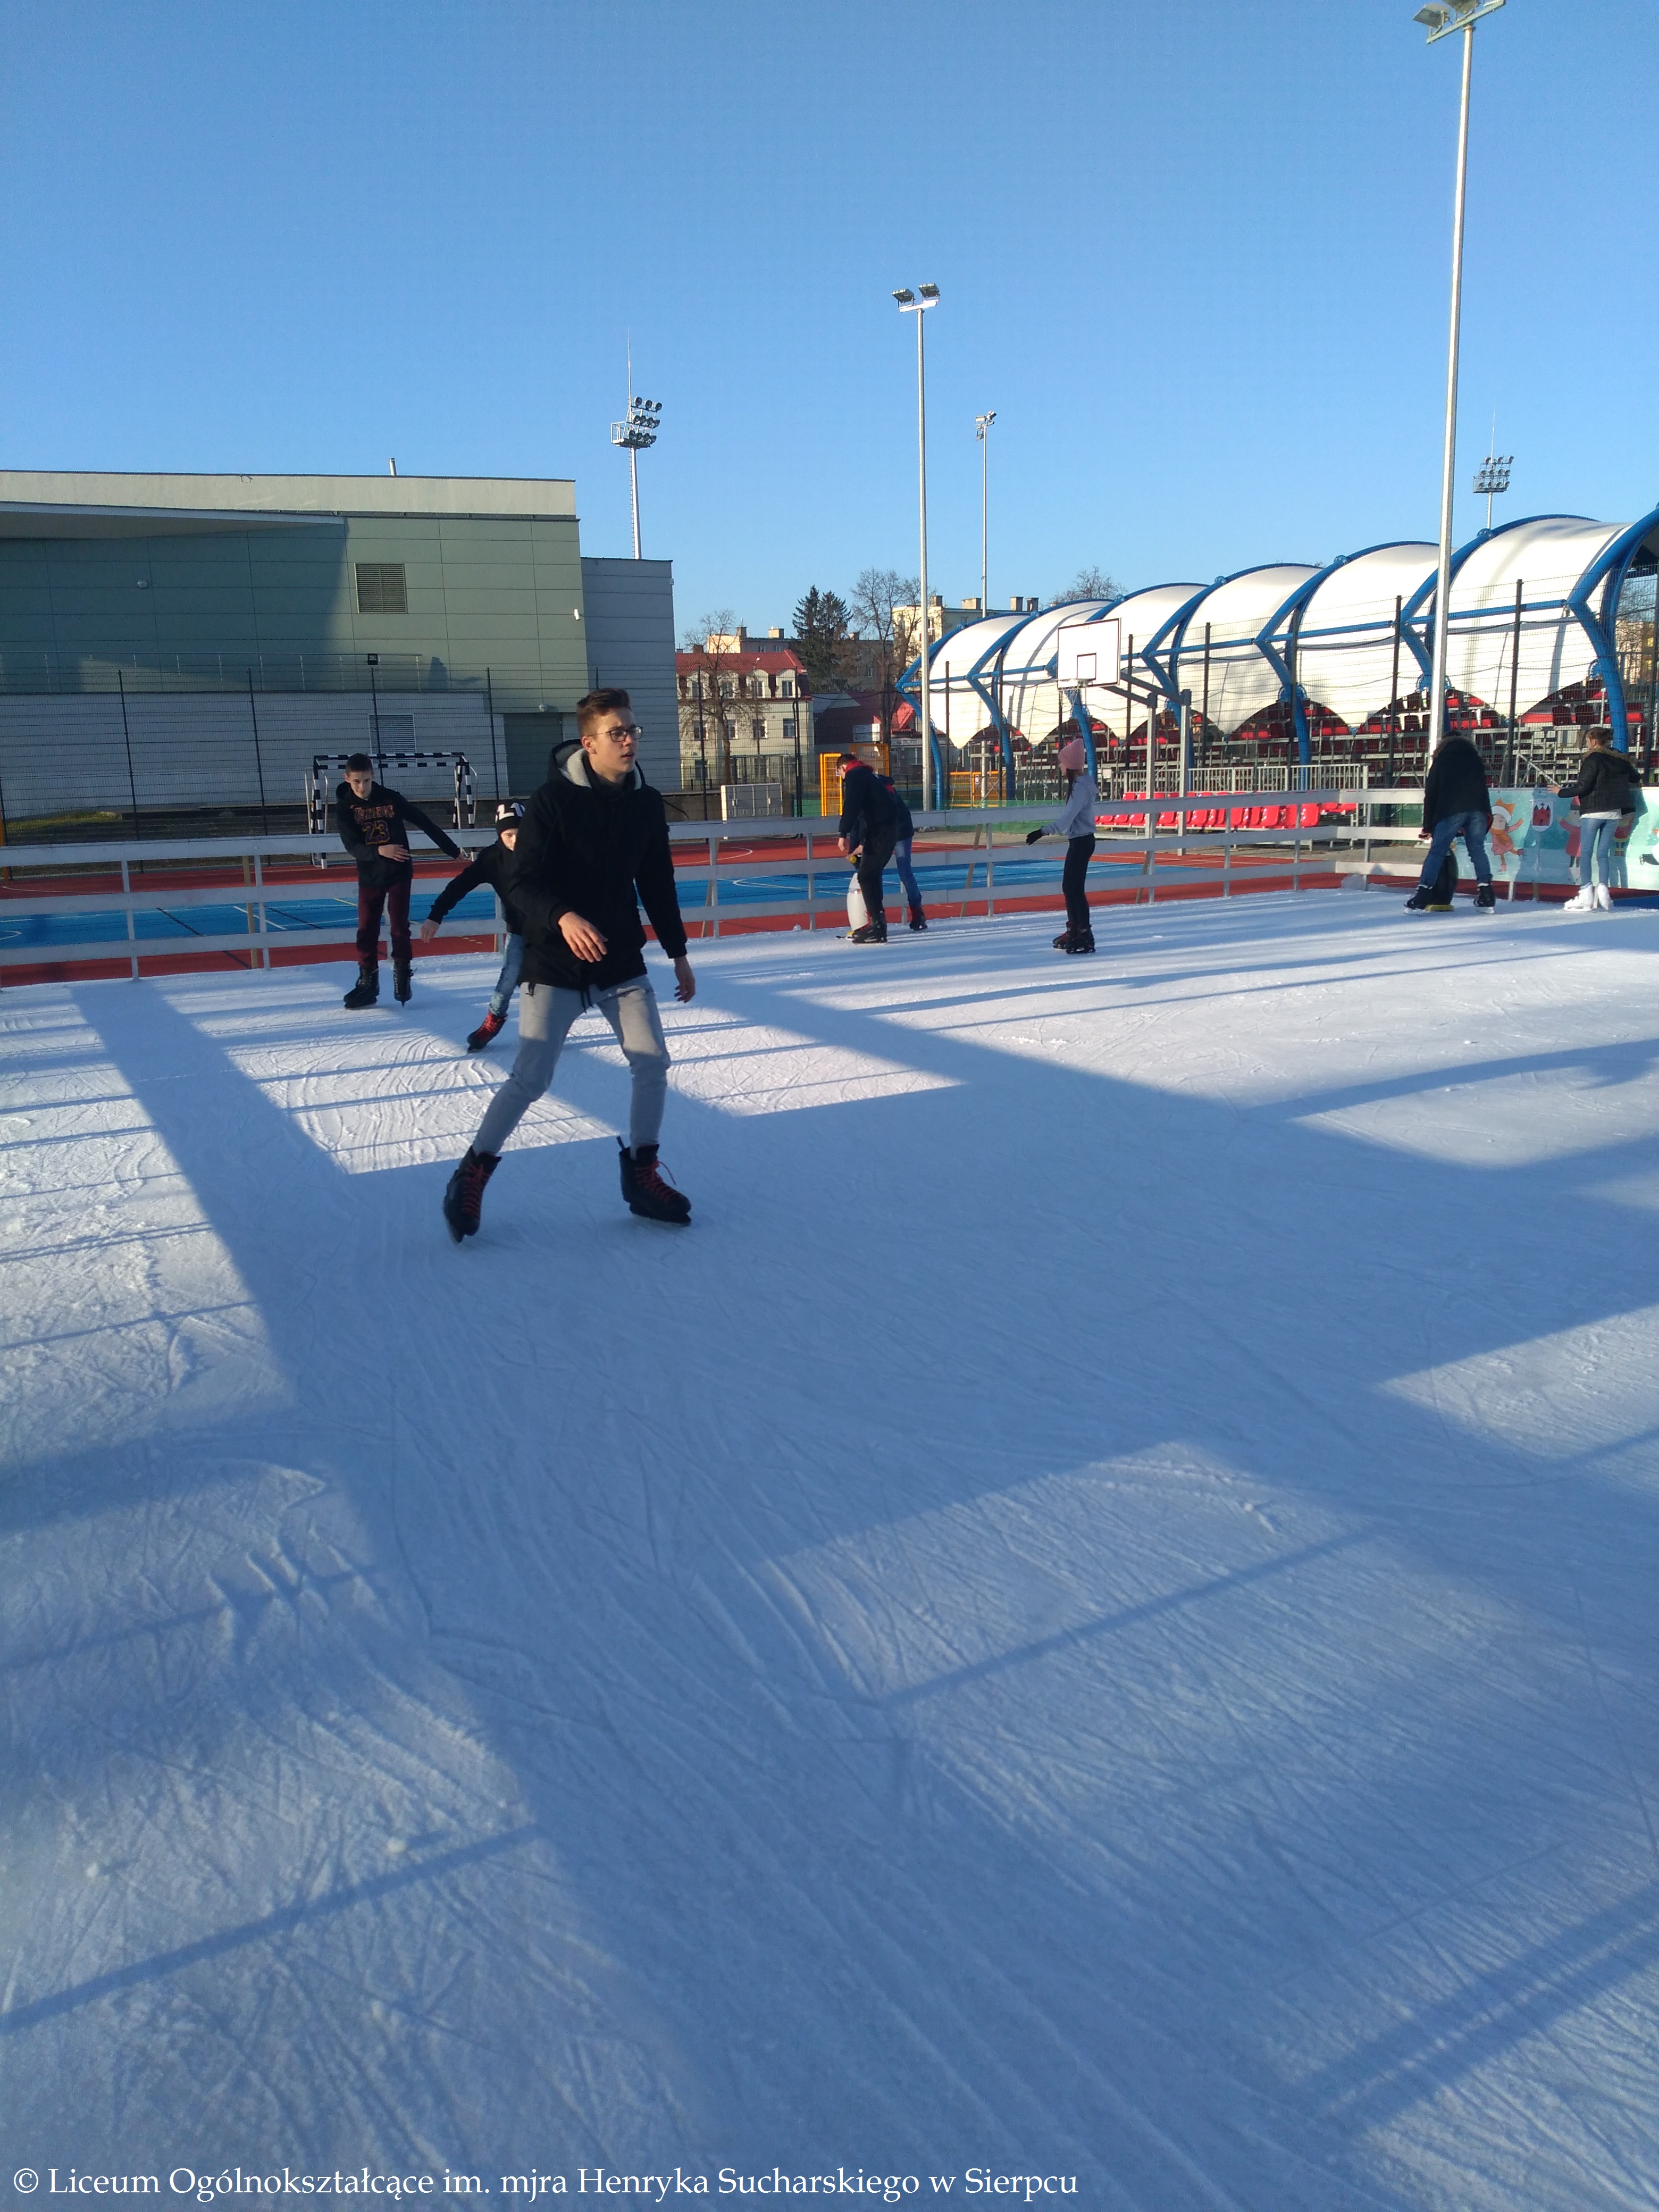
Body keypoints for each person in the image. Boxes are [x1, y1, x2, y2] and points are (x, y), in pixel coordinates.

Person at [441, 690, 696, 1242]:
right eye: (616, 732)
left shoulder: (645, 804)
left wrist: (679, 954)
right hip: (553, 963)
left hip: (619, 958)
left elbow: (658, 882)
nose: (628, 740)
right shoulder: (551, 801)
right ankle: (473, 1170)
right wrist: (563, 917)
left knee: (652, 1060)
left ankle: (642, 1174)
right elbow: (521, 882)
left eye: (632, 730)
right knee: (532, 1077)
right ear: (589, 743)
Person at [336, 752, 463, 1006]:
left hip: (399, 873)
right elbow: (352, 846)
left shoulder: (390, 798)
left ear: (373, 776)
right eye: (356, 782)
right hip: (371, 875)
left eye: (366, 781)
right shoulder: (344, 808)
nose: (362, 787)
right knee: (366, 929)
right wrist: (380, 851)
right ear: (347, 779)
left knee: (399, 926)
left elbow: (422, 821)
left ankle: (403, 978)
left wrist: (451, 849)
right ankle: (368, 984)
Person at [419, 801, 527, 1049]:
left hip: (551, 929)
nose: (515, 840)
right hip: (519, 930)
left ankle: (546, 1027)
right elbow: (460, 885)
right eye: (509, 835)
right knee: (509, 979)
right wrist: (436, 915)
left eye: (520, 833)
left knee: (551, 983)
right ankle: (493, 1021)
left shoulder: (543, 850)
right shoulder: (492, 858)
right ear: (500, 835)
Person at [1404, 732, 1495, 913]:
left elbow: (1431, 793)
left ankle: (1423, 895)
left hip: (1451, 810)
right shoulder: (1476, 759)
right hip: (1478, 809)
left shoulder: (1442, 760)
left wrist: (1428, 826)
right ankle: (1487, 894)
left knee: (1437, 852)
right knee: (1477, 850)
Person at [1025, 736, 1099, 952]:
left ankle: (1084, 933)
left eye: (1062, 763)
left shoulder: (1080, 789)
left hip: (1082, 841)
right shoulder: (1080, 786)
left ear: (1070, 766)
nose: (1060, 767)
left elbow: (1067, 819)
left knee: (1074, 888)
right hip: (1079, 841)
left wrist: (1042, 831)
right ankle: (1075, 929)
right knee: (1070, 887)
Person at [1559, 728, 1638, 912]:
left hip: (1593, 811)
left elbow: (1583, 787)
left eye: (1587, 740)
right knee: (1603, 854)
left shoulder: (1593, 759)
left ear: (1594, 741)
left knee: (1586, 853)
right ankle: (1604, 890)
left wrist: (1561, 792)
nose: (1586, 743)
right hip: (1614, 813)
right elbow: (1636, 777)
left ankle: (1586, 893)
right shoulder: (1620, 760)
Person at [836, 752, 900, 943]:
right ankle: (877, 923)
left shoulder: (855, 776)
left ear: (843, 768)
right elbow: (867, 814)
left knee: (866, 875)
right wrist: (863, 842)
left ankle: (877, 926)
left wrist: (843, 833)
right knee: (871, 874)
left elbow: (852, 806)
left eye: (840, 774)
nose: (841, 778)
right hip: (884, 828)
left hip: (882, 829)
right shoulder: (867, 775)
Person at [881, 772, 927, 931]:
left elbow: (887, 814)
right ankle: (877, 914)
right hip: (893, 830)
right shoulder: (880, 786)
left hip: (899, 831)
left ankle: (917, 911)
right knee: (898, 872)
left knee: (904, 872)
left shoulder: (880, 789)